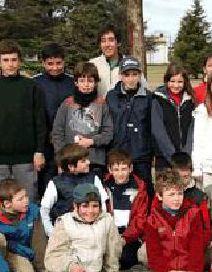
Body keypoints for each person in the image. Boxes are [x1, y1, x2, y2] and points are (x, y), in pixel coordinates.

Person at [0, 184, 123, 272]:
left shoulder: (107, 221)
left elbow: (112, 252)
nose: (90, 211)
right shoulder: (65, 223)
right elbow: (52, 257)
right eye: (85, 206)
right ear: (75, 206)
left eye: (95, 206)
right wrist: (70, 267)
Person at [0, 39, 48, 201]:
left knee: (27, 202)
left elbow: (40, 122)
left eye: (14, 59)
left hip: (26, 158)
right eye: (6, 60)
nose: (10, 64)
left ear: (20, 61)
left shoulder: (32, 87)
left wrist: (39, 151)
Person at [132, 169, 208, 272]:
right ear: (160, 196)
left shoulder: (193, 214)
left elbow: (197, 246)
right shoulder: (152, 220)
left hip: (187, 265)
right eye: (171, 194)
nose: (177, 198)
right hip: (166, 266)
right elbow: (154, 253)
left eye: (180, 193)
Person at [106, 55, 161, 196]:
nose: (131, 78)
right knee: (119, 191)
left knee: (143, 191)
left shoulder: (149, 97)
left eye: (134, 74)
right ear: (120, 76)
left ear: (140, 75)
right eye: (127, 74)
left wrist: (152, 151)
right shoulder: (111, 96)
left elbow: (153, 127)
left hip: (141, 154)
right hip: (118, 153)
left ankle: (144, 217)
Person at [51, 62, 113, 179]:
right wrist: (61, 160)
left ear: (95, 83)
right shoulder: (67, 104)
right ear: (76, 82)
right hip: (71, 163)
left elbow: (108, 133)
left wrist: (91, 141)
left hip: (94, 161)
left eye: (90, 81)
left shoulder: (102, 104)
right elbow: (57, 134)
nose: (86, 85)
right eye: (82, 81)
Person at [0, 179, 45, 272]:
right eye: (21, 199)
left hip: (22, 251)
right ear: (7, 204)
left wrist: (43, 270)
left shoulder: (33, 210)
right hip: (2, 252)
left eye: (26, 196)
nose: (26, 201)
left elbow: (39, 242)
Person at [33, 43, 76, 195]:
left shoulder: (73, 82)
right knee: (46, 183)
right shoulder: (35, 83)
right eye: (50, 64)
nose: (55, 67)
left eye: (58, 63)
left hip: (69, 141)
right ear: (43, 63)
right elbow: (35, 114)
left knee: (69, 180)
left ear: (64, 61)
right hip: (45, 143)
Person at [40, 143, 110, 237]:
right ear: (71, 166)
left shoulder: (94, 178)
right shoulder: (56, 183)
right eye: (83, 161)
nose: (88, 162)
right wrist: (52, 233)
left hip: (91, 232)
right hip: (66, 234)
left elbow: (103, 206)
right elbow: (44, 209)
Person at [101, 150, 150, 270]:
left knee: (127, 259)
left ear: (130, 168)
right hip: (110, 233)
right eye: (116, 170)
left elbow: (140, 219)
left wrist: (125, 239)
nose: (120, 173)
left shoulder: (140, 189)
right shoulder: (103, 186)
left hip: (129, 236)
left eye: (124, 169)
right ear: (110, 170)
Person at [151, 61, 196, 171]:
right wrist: (172, 156)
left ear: (185, 82)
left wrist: (186, 153)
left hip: (185, 159)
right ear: (167, 81)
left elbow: (191, 128)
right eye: (172, 81)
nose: (176, 85)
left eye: (180, 82)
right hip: (165, 158)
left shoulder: (190, 101)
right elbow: (158, 130)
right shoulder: (158, 99)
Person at [89, 27, 123, 97]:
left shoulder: (130, 64)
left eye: (111, 40)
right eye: (103, 41)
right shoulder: (92, 64)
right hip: (99, 107)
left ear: (119, 43)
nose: (107, 45)